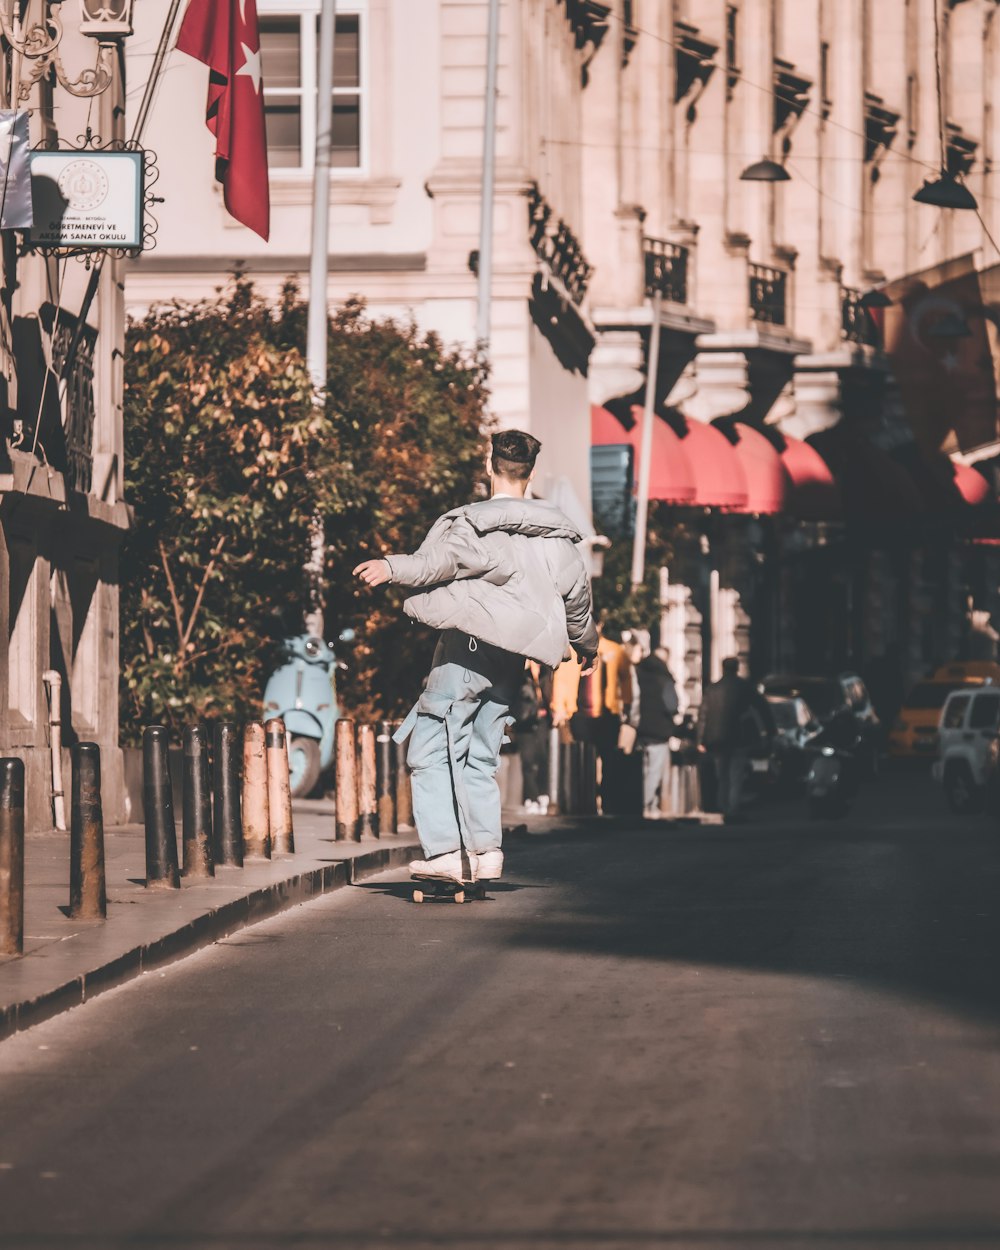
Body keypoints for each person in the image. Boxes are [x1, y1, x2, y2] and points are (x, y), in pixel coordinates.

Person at [353, 429, 599, 885]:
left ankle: (446, 851)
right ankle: (486, 852)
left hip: (468, 649)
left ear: (489, 468)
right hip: (513, 659)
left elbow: (437, 564)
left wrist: (390, 566)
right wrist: (588, 647)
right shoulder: (557, 538)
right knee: (481, 754)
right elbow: (578, 601)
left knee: (430, 748)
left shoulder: (474, 522)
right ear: (531, 474)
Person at [696, 656, 773, 821]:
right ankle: (732, 808)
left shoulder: (712, 689)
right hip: (738, 737)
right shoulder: (743, 687)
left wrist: (700, 740)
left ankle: (722, 805)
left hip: (717, 739)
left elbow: (703, 716)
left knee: (721, 774)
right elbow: (762, 708)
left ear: (723, 668)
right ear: (737, 668)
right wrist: (770, 731)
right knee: (735, 774)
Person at [633, 645, 679, 818]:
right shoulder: (664, 679)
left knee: (642, 769)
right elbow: (672, 705)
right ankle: (647, 805)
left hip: (639, 728)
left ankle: (645, 803)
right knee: (654, 770)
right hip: (659, 730)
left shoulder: (637, 674)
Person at [514, 661, 553, 814]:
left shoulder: (546, 673)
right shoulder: (522, 674)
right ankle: (531, 797)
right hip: (525, 722)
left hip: (543, 721)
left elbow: (549, 695)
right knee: (528, 761)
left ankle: (543, 794)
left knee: (543, 757)